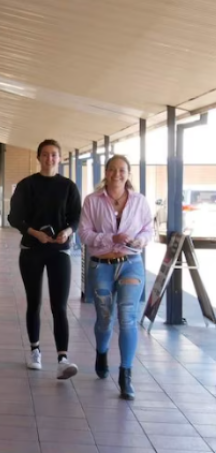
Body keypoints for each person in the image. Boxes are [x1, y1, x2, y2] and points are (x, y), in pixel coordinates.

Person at [79, 155, 153, 400]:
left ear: (128, 173)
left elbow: (147, 229)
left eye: (122, 170)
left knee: (127, 317)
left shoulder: (140, 201)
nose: (117, 174)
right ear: (106, 173)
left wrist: (139, 240)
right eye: (112, 170)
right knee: (105, 317)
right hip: (102, 265)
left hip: (131, 263)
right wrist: (111, 238)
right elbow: (84, 234)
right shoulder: (92, 201)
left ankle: (125, 374)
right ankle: (101, 352)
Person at [8, 139, 81, 379]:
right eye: (46, 154)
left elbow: (76, 218)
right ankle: (35, 351)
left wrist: (67, 232)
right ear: (38, 157)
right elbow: (15, 217)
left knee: (59, 306)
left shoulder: (68, 186)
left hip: (59, 251)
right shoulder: (27, 185)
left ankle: (63, 358)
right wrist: (34, 233)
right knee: (34, 302)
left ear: (60, 158)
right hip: (32, 250)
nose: (50, 158)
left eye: (54, 155)